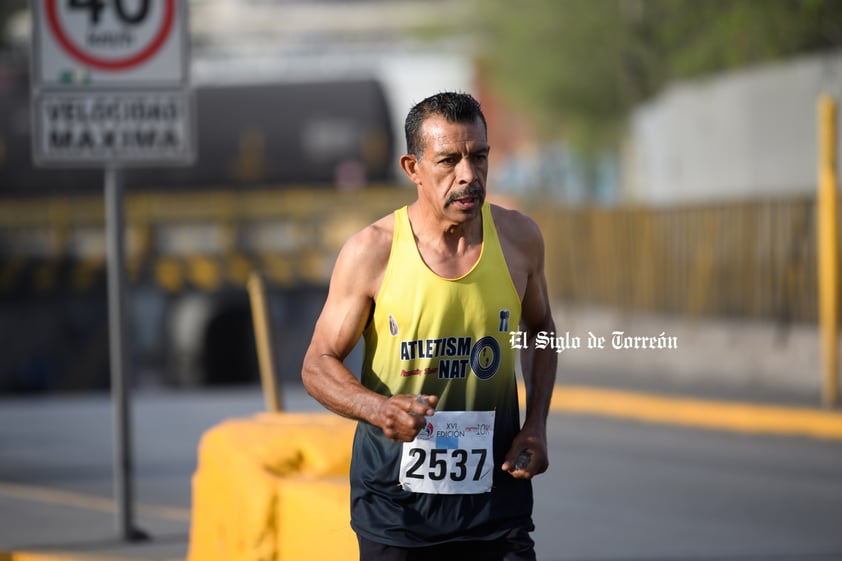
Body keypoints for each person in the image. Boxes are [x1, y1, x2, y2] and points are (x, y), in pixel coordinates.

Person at [301, 91, 557, 561]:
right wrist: (379, 410)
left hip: (496, 506)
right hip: (397, 514)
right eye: (448, 161)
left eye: (479, 157)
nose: (468, 175)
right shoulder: (372, 251)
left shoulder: (520, 239)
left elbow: (540, 331)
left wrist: (536, 424)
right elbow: (317, 365)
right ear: (412, 168)